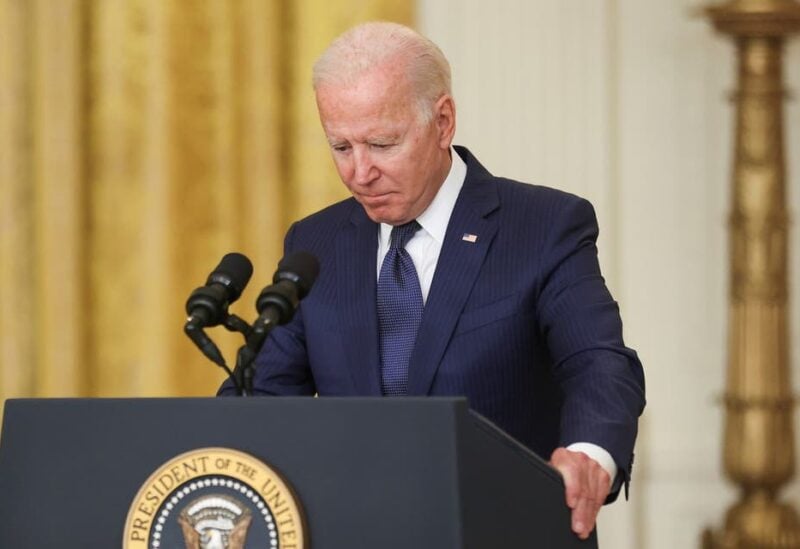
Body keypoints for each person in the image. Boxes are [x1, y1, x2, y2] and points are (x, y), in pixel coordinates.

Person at [220, 21, 645, 540]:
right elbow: (263, 396)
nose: (359, 172)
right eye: (341, 147)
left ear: (442, 122)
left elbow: (599, 363)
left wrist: (587, 456)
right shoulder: (317, 244)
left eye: (381, 143)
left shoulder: (543, 226)